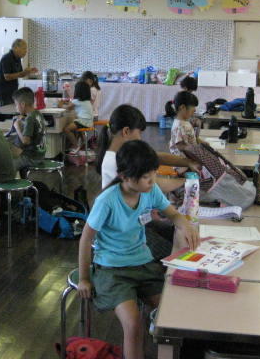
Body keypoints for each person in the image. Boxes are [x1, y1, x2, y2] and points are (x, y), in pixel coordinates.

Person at [78, 140, 199, 359]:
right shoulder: (107, 200)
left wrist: (185, 224)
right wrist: (85, 278)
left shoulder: (149, 191)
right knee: (133, 322)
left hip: (142, 264)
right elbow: (86, 239)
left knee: (170, 311)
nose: (152, 181)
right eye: (146, 176)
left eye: (153, 174)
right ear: (125, 176)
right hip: (112, 270)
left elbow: (173, 214)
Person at [97, 104, 199, 192]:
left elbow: (157, 156)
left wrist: (188, 162)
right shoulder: (114, 161)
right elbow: (152, 183)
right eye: (140, 133)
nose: (140, 138)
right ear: (126, 131)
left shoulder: (124, 152)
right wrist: (188, 181)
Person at [10, 87, 47, 169]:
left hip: (31, 158)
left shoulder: (29, 118)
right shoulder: (37, 113)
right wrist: (24, 119)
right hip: (40, 155)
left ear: (23, 104)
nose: (16, 107)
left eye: (16, 105)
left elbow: (26, 141)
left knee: (7, 165)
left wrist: (17, 127)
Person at [0, 39, 37, 106]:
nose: (26, 51)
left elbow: (20, 74)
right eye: (24, 48)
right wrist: (23, 73)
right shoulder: (6, 58)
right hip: (4, 94)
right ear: (16, 48)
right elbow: (7, 77)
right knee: (4, 111)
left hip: (13, 92)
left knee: (13, 110)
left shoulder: (18, 58)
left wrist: (28, 71)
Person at [169, 91, 204, 167]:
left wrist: (200, 142)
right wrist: (198, 156)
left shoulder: (184, 122)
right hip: (183, 164)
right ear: (183, 107)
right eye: (193, 107)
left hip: (189, 160)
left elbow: (189, 138)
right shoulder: (179, 126)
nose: (195, 110)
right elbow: (180, 146)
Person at [59, 81, 94, 152]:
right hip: (89, 122)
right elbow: (71, 104)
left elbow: (68, 108)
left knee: (66, 129)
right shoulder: (87, 101)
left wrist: (60, 105)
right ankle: (84, 145)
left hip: (83, 122)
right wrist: (67, 103)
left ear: (77, 91)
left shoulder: (77, 101)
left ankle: (75, 145)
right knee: (77, 128)